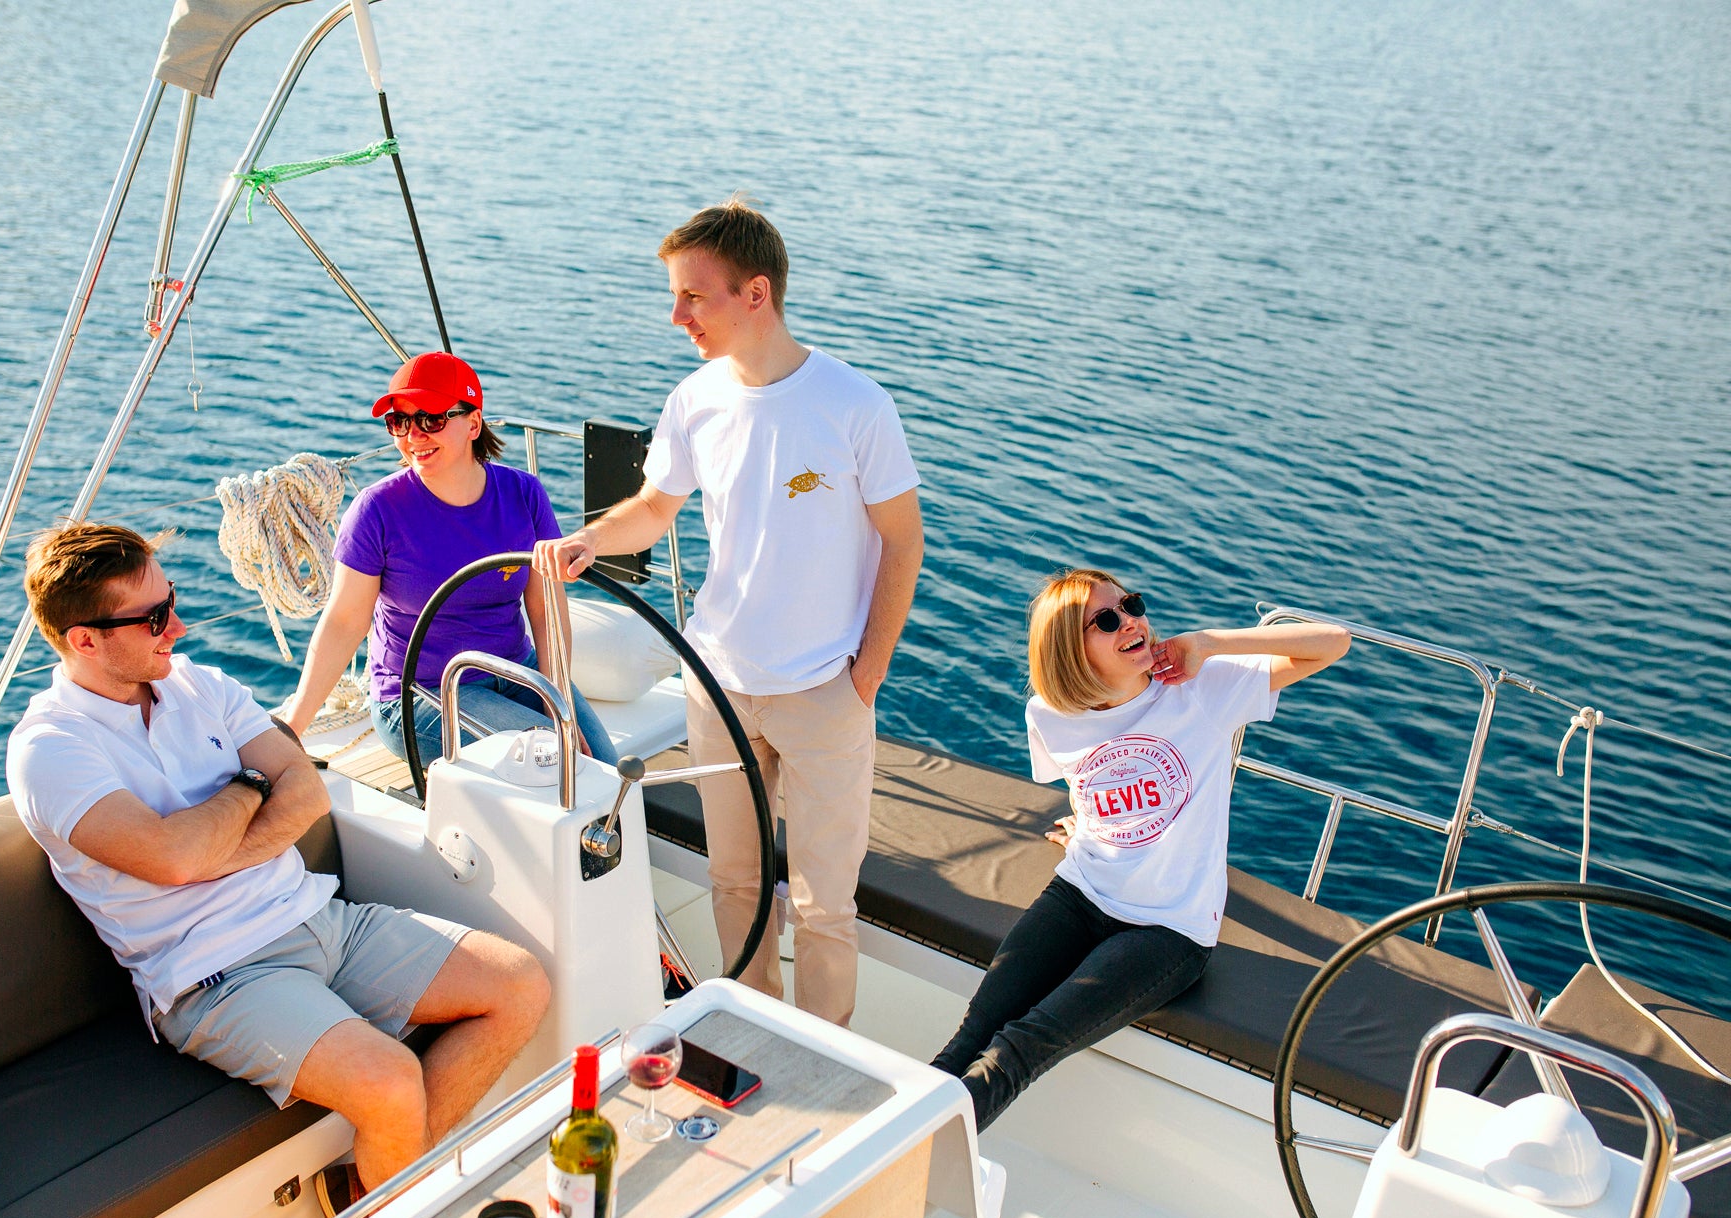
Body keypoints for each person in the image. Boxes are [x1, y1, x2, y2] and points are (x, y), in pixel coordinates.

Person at [5, 522, 550, 1208]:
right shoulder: (51, 749)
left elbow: (309, 792)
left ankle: (371, 1199)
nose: (178, 624)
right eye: (152, 618)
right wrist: (250, 786)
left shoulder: (198, 684)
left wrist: (214, 848)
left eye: (169, 599)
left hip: (322, 920)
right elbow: (174, 858)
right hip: (217, 975)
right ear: (84, 640)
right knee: (388, 1081)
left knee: (519, 984)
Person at [536, 199, 924, 1027]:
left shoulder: (855, 405)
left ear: (756, 294)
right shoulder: (694, 401)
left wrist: (867, 675)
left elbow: (903, 544)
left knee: (825, 906)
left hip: (824, 692)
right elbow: (652, 507)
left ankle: (828, 1067)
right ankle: (755, 1039)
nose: (677, 316)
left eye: (694, 297)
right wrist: (588, 541)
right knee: (735, 886)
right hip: (715, 683)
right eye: (676, 297)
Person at [931, 569, 1351, 1131]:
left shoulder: (1202, 689)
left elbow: (1333, 644)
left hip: (1168, 930)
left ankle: (905, 1167)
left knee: (1018, 1049)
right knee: (970, 1037)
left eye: (1131, 605)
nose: (1130, 621)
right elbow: (1091, 784)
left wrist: (1208, 642)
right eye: (1106, 620)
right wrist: (1087, 823)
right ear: (1069, 650)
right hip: (1078, 895)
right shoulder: (1050, 716)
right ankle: (876, 1146)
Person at [282, 351, 615, 763]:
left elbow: (547, 615)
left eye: (431, 419)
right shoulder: (376, 511)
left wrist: (558, 705)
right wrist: (292, 729)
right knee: (556, 760)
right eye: (399, 422)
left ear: (473, 422)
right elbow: (343, 623)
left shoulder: (525, 495)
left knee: (604, 766)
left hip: (515, 672)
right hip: (421, 693)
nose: (413, 436)